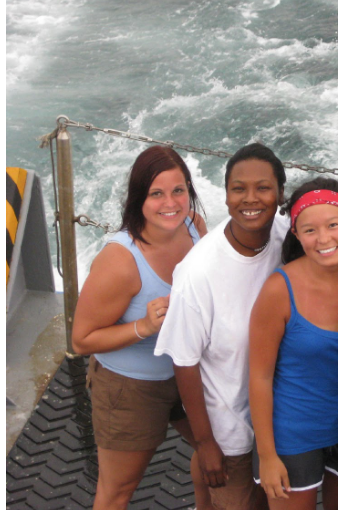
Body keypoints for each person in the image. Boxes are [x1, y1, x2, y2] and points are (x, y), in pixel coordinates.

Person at [71, 145, 208, 509]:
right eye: (156, 194)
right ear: (138, 198)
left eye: (178, 191)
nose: (170, 203)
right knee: (117, 491)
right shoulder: (119, 260)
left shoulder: (195, 227)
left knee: (218, 455)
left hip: (188, 373)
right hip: (131, 389)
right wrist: (143, 327)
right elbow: (82, 340)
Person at [154, 143, 289, 510]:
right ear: (226, 194)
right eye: (238, 188)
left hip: (280, 421)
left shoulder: (288, 235)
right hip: (230, 434)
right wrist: (206, 443)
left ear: (280, 193)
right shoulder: (198, 273)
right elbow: (184, 361)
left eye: (263, 188)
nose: (251, 199)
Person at [249, 177, 338, 510]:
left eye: (333, 225)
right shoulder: (279, 290)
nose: (324, 239)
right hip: (293, 437)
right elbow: (259, 377)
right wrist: (267, 455)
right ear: (295, 234)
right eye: (310, 230)